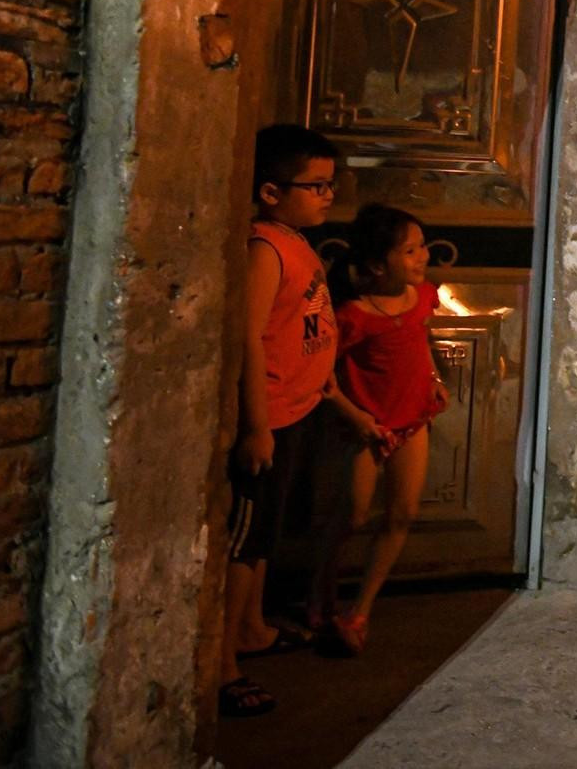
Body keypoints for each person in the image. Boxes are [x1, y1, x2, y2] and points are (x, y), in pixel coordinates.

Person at [222, 126, 386, 717]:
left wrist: (335, 399)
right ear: (270, 190)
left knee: (265, 534)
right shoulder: (264, 247)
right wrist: (256, 425)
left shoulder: (295, 241)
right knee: (245, 540)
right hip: (271, 413)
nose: (326, 195)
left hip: (298, 407)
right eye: (315, 185)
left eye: (330, 184)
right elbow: (249, 334)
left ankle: (253, 628)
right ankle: (222, 664)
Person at [311, 205, 447, 655]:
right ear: (376, 264)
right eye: (410, 250)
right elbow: (322, 377)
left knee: (403, 513)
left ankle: (360, 609)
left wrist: (433, 381)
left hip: (411, 422)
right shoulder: (354, 315)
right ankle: (321, 597)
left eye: (422, 246)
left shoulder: (423, 296)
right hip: (366, 428)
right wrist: (359, 419)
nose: (422, 256)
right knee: (353, 515)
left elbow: (419, 344)